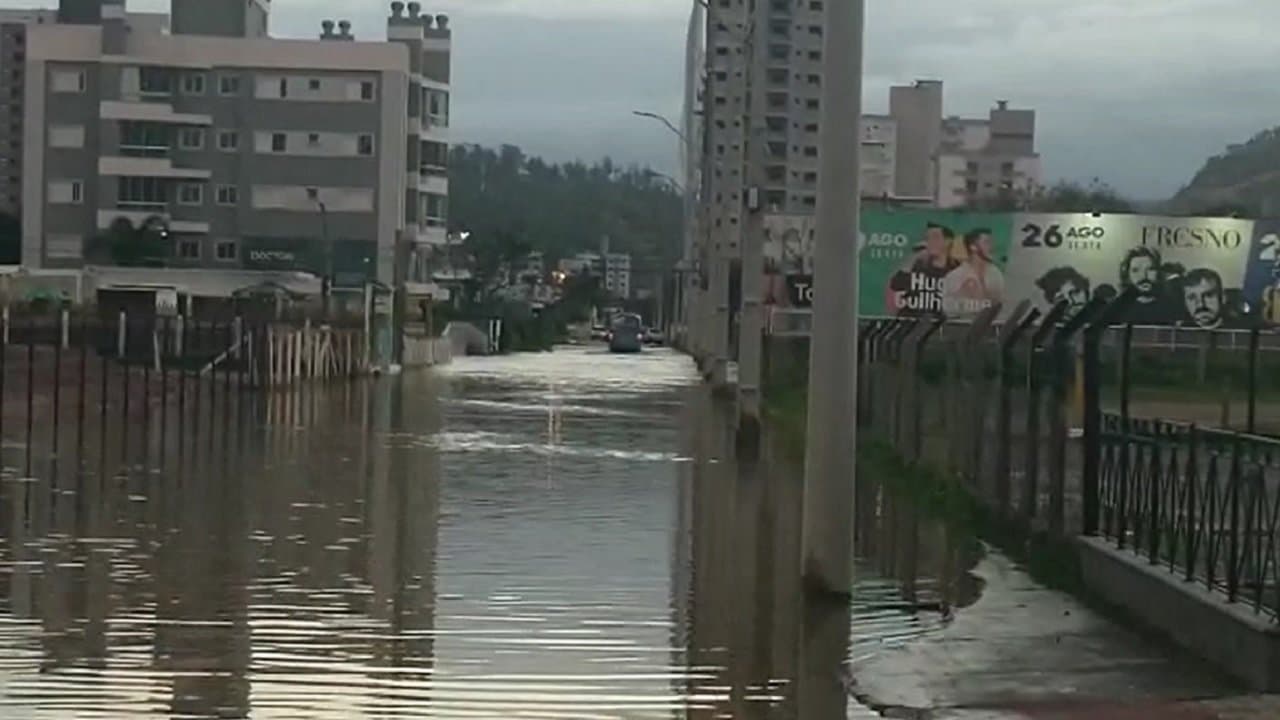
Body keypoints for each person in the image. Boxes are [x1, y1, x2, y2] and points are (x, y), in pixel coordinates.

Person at [887, 222, 958, 317]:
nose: (930, 242)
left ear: (948, 241)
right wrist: (913, 259)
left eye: (935, 238)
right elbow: (896, 285)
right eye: (927, 238)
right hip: (911, 324)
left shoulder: (957, 269)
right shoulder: (917, 265)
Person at [941, 228, 1004, 318]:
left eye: (991, 242)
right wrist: (961, 293)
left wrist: (983, 287)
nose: (991, 247)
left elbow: (999, 307)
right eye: (987, 242)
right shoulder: (955, 276)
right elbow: (947, 309)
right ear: (973, 247)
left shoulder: (996, 274)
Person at [1119, 246, 1171, 324]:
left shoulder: (1171, 309)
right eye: (1135, 270)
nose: (1143, 276)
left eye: (1150, 269)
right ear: (1127, 274)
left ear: (1158, 272)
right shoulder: (1119, 310)